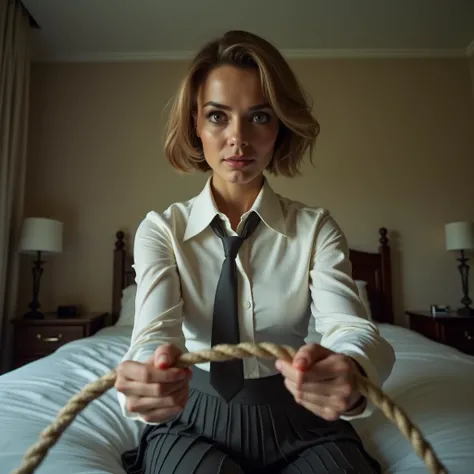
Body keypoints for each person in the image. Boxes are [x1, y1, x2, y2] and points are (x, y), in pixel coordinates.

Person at [115, 30, 395, 474]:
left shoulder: (315, 228)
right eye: (218, 116)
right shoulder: (162, 230)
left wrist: (352, 370)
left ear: (280, 125)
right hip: (190, 421)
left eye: (259, 117)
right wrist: (148, 372)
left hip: (303, 421)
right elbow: (154, 334)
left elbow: (351, 327)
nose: (238, 139)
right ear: (195, 124)